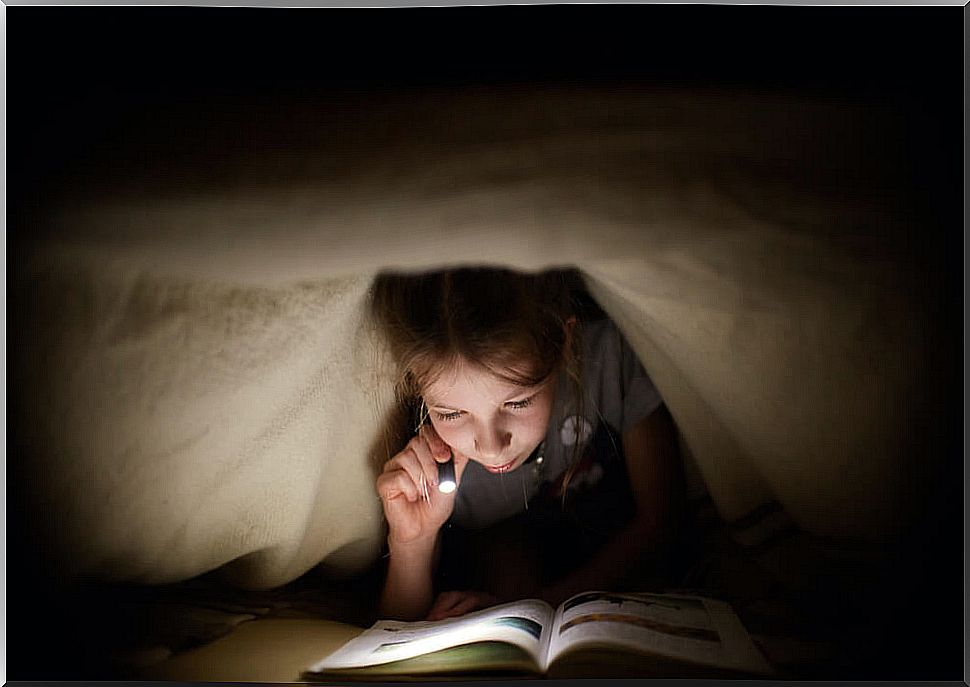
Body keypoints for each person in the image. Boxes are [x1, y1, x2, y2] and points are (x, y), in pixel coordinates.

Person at [369, 267, 685, 622]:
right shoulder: (426, 468)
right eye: (452, 414)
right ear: (416, 385)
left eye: (518, 403)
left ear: (565, 343)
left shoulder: (607, 359)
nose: (491, 448)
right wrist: (413, 541)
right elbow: (395, 630)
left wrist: (544, 602)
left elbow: (662, 521)